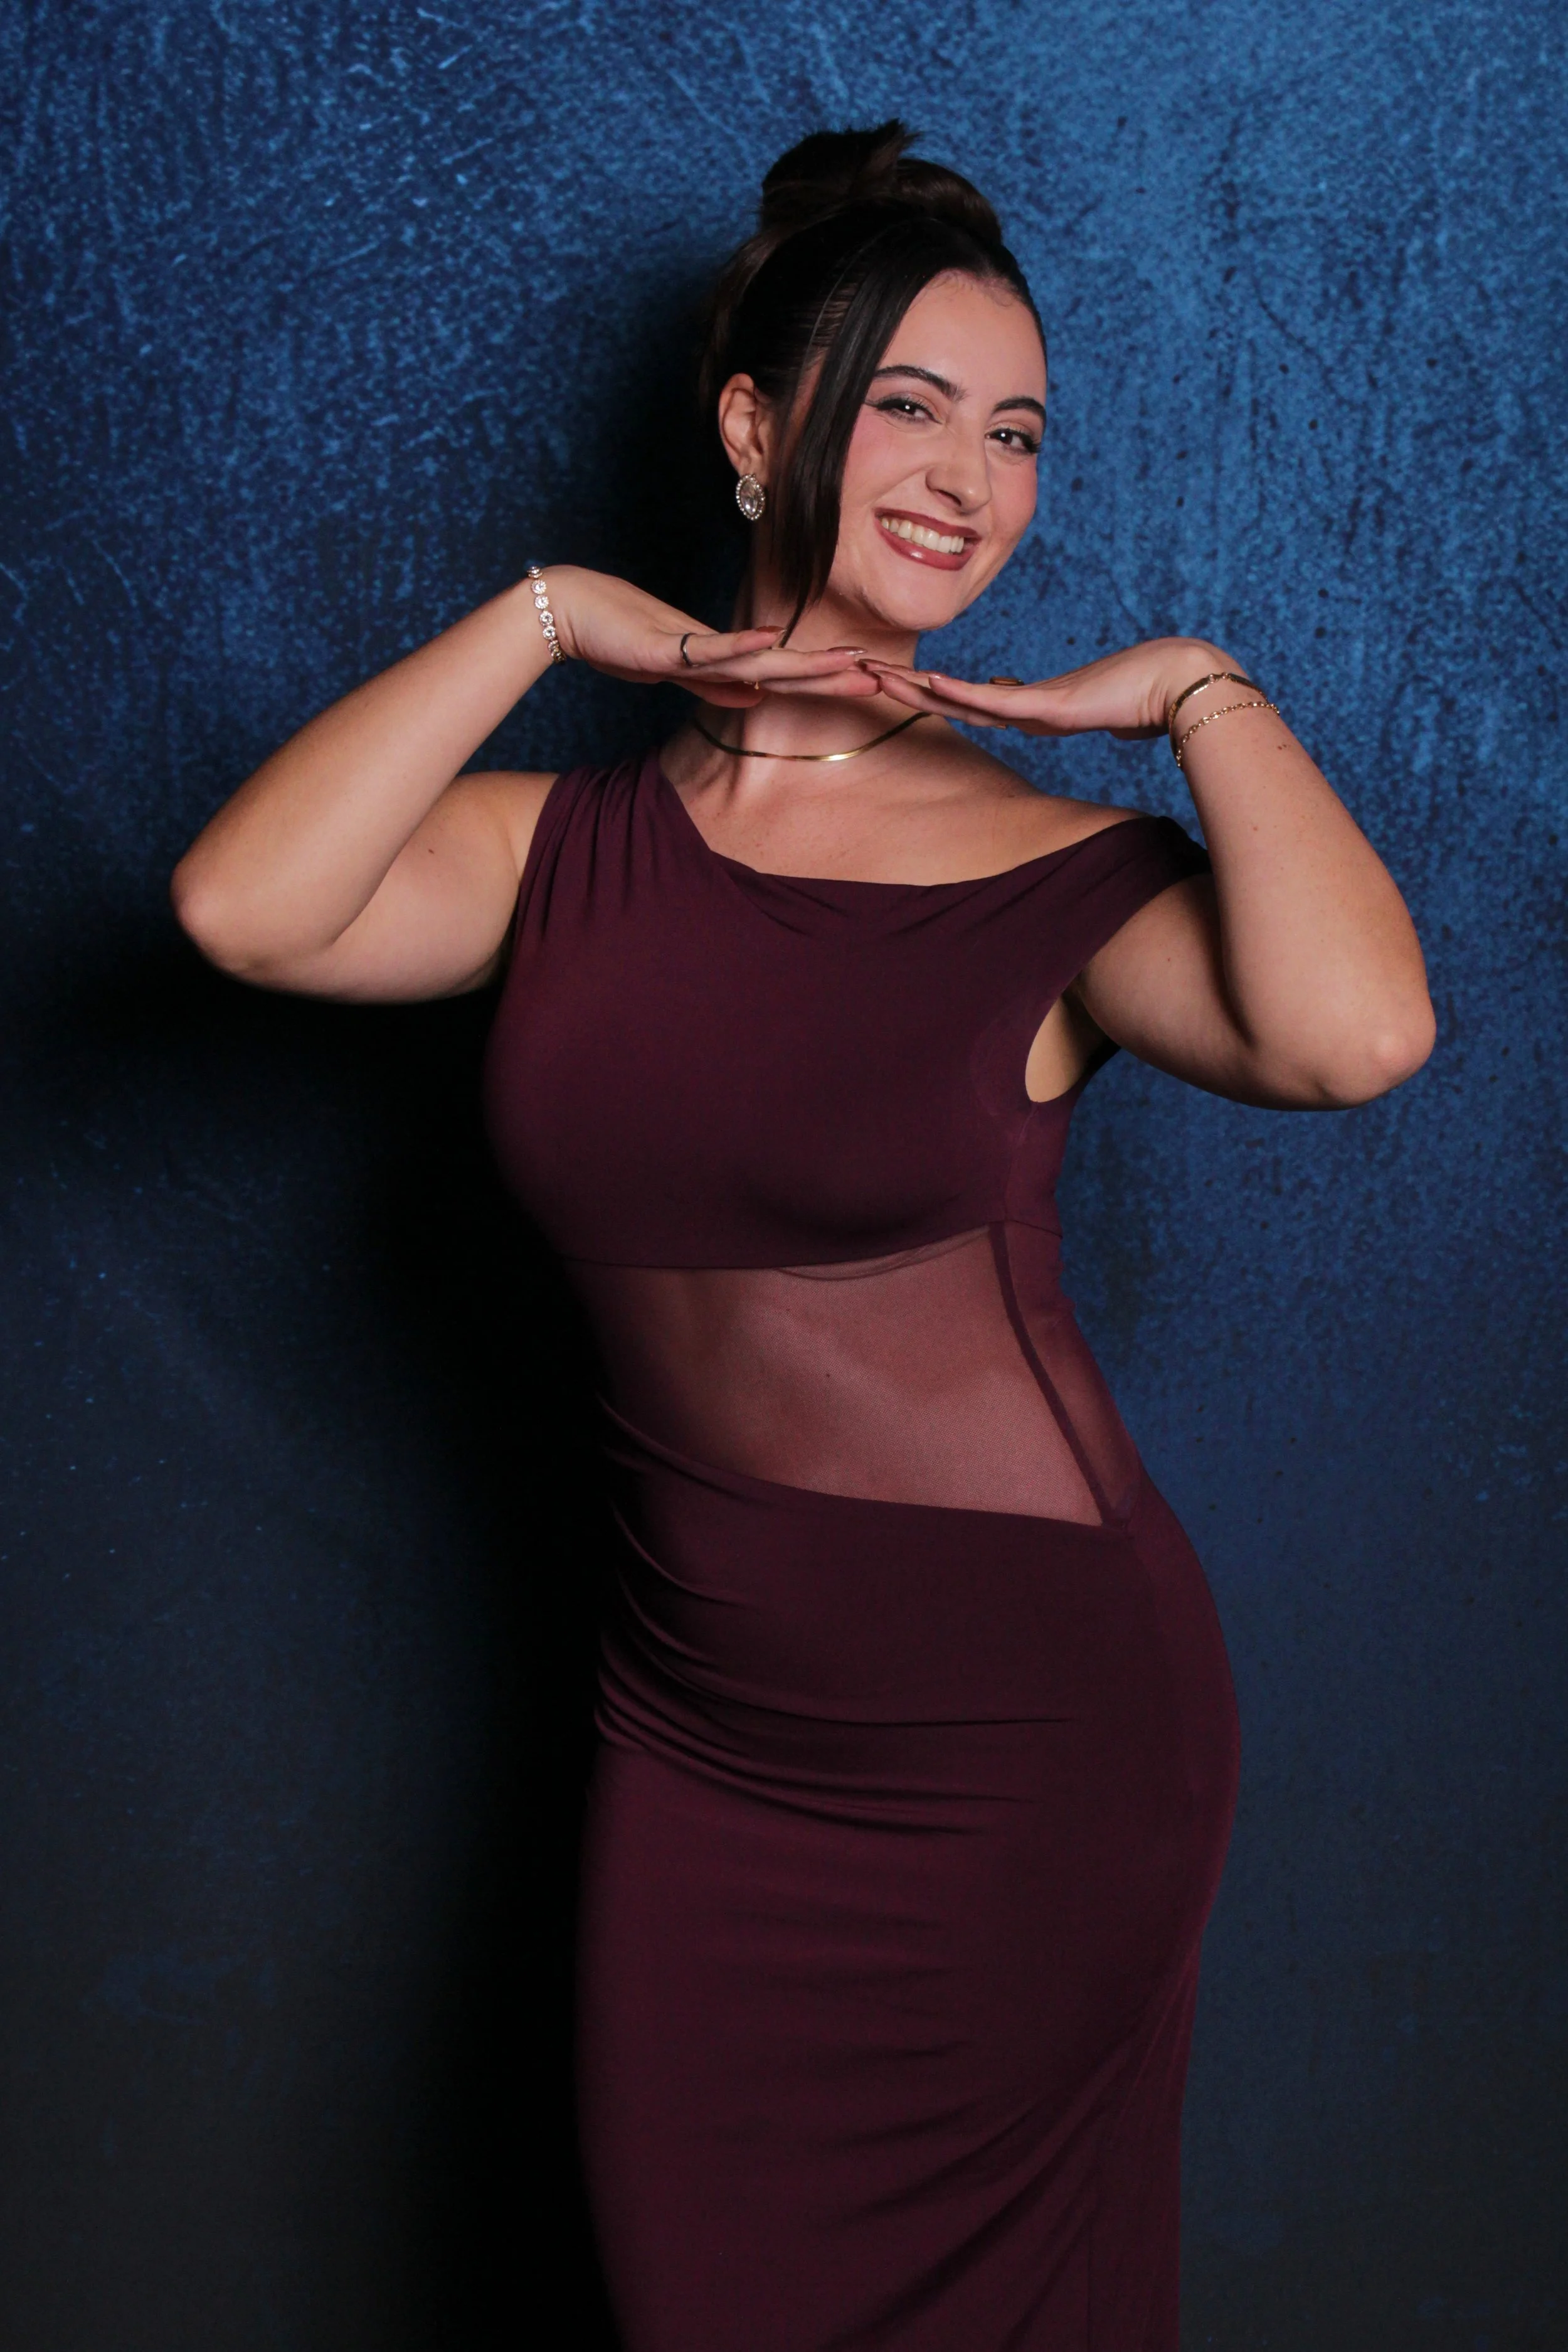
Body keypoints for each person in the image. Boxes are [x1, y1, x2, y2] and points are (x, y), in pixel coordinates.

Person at [172, 120, 1434, 2352]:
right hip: (701, 1754)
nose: (968, 474)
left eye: (1017, 430)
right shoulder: (559, 847)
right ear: (759, 424)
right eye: (913, 404)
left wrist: (1199, 691)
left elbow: (1351, 1037)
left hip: (1040, 1757)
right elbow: (239, 909)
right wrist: (556, 615)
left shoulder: (1067, 873)